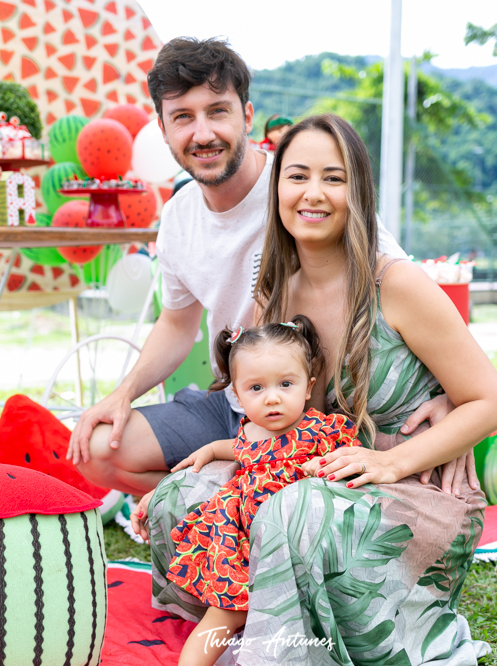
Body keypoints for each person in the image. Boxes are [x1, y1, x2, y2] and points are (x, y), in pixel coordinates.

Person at [140, 114, 497, 666]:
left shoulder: (397, 285)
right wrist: (219, 455)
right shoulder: (275, 292)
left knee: (299, 511)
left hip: (409, 482)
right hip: (307, 464)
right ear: (277, 189)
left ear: (356, 194)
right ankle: (250, 626)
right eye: (298, 176)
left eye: (333, 178)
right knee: (184, 495)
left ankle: (298, 636)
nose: (313, 193)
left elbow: (490, 401)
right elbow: (276, 414)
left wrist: (394, 461)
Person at [67, 37, 471, 497]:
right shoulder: (179, 218)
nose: (202, 133)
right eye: (183, 117)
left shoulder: (304, 187)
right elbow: (178, 323)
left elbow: (395, 282)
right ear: (162, 129)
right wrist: (123, 393)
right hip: (235, 399)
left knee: (303, 490)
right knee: (98, 449)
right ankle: (223, 499)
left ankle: (239, 497)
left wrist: (453, 402)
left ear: (247, 115)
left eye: (217, 111)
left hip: (306, 404)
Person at [156, 317, 358, 666]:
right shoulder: (249, 436)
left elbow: (350, 465)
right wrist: (209, 453)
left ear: (310, 384)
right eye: (256, 388)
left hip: (296, 547)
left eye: (286, 384)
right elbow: (228, 446)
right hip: (243, 546)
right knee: (227, 610)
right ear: (237, 394)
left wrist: (324, 469)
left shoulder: (322, 430)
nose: (272, 399)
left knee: (290, 615)